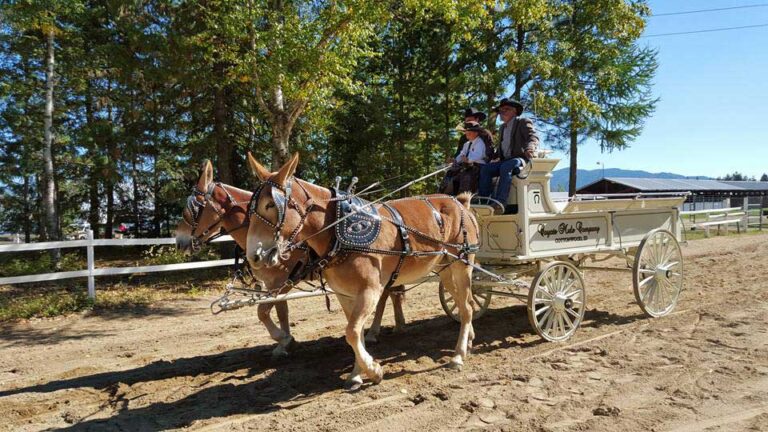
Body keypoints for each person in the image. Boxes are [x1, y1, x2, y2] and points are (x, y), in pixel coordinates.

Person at [478, 98, 540, 214]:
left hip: (520, 159)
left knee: (506, 166)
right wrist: (490, 158)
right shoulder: (502, 128)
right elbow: (502, 148)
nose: (502, 112)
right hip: (506, 160)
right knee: (486, 169)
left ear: (515, 111)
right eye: (500, 110)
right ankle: (484, 201)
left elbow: (533, 136)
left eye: (506, 109)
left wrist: (530, 147)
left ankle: (500, 203)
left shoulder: (522, 121)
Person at [439, 121, 494, 195]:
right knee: (450, 173)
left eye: (469, 132)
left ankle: (464, 196)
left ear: (476, 133)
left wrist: (468, 160)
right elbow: (461, 155)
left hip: (478, 166)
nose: (467, 134)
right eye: (466, 132)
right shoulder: (466, 144)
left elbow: (478, 155)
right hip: (466, 166)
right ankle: (446, 194)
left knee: (466, 176)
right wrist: (455, 160)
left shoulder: (480, 143)